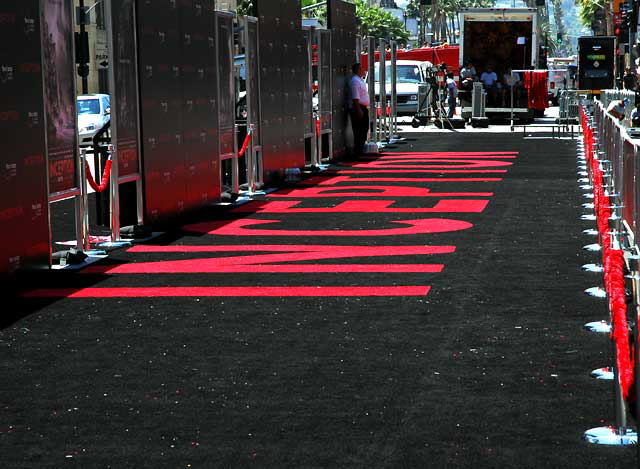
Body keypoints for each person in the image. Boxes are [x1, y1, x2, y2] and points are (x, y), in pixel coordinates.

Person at [348, 63, 369, 157]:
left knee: (364, 129)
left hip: (362, 107)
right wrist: (358, 109)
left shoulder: (360, 80)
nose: (363, 70)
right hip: (359, 107)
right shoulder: (355, 81)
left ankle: (360, 149)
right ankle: (358, 152)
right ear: (357, 70)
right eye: (361, 68)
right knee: (359, 130)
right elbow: (355, 97)